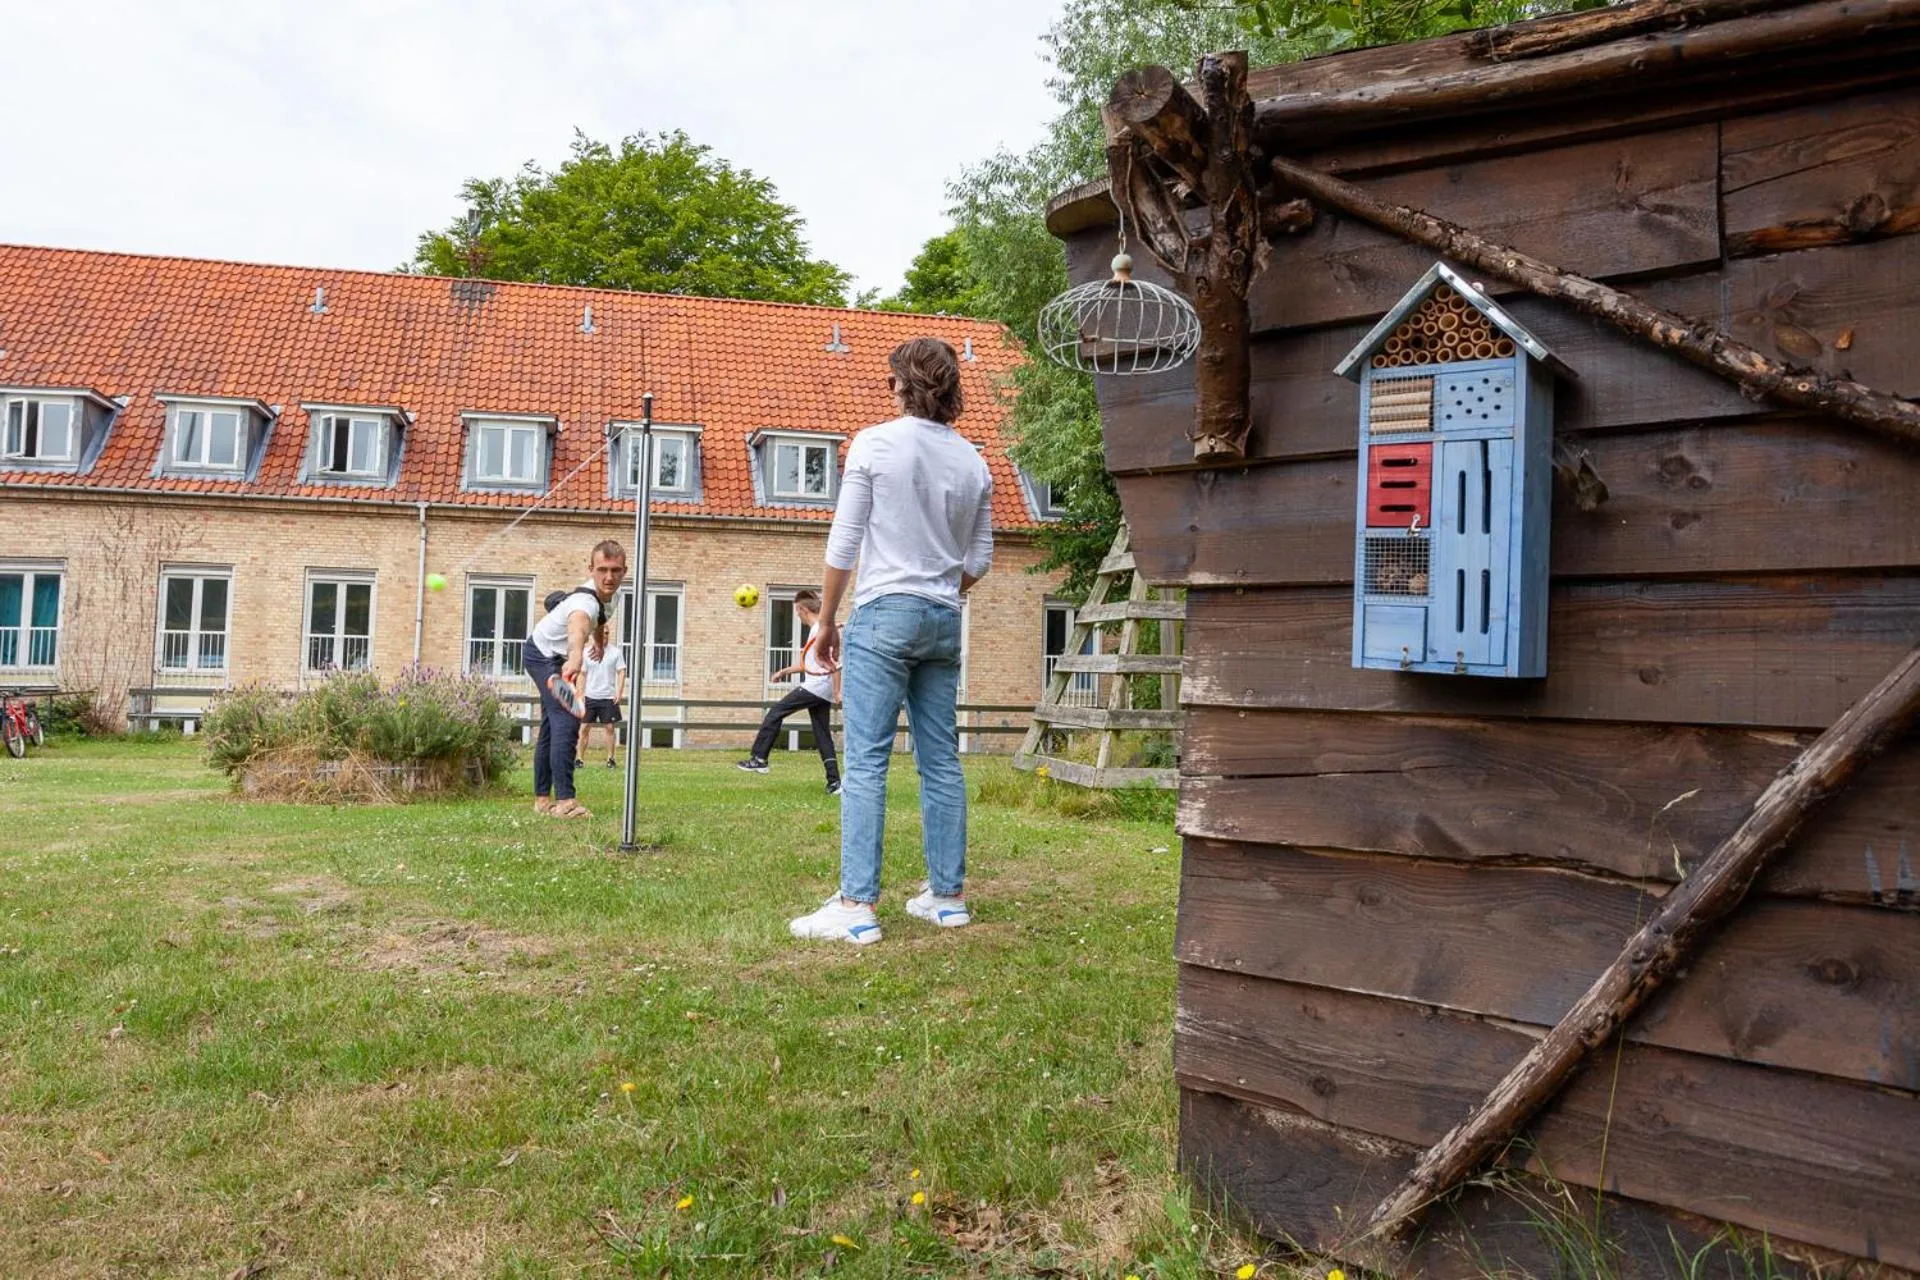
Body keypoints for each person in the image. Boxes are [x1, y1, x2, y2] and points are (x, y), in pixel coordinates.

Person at [789, 338, 992, 945]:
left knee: (868, 759)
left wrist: (825, 620)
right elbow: (980, 557)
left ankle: (856, 905)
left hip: (884, 613)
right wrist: (939, 586)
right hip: (942, 616)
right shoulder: (974, 462)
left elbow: (843, 544)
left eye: (890, 380)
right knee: (939, 758)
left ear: (903, 384)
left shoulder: (875, 443)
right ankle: (947, 898)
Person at [522, 541, 627, 818]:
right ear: (590, 569)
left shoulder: (613, 594)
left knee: (550, 726)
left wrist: (600, 643)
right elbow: (578, 626)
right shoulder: (584, 602)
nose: (609, 577)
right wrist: (577, 655)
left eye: (615, 570)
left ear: (624, 571)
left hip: (558, 655)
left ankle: (543, 801)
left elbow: (601, 619)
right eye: (602, 570)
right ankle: (566, 802)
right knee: (567, 720)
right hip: (543, 655)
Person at [736, 589, 842, 793]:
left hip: (817, 686)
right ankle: (834, 782)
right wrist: (784, 671)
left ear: (802, 609)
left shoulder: (820, 629)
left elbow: (834, 663)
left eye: (797, 611)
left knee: (776, 712)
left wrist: (838, 691)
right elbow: (811, 663)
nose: (797, 615)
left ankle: (759, 758)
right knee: (822, 734)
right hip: (821, 688)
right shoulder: (817, 630)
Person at [577, 638, 628, 769]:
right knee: (584, 728)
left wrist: (619, 692)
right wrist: (580, 693)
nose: (604, 636)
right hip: (590, 696)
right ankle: (579, 759)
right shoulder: (587, 652)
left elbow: (621, 672)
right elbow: (582, 674)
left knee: (610, 728)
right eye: (601, 633)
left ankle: (610, 759)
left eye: (606, 633)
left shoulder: (615, 652)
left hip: (608, 697)